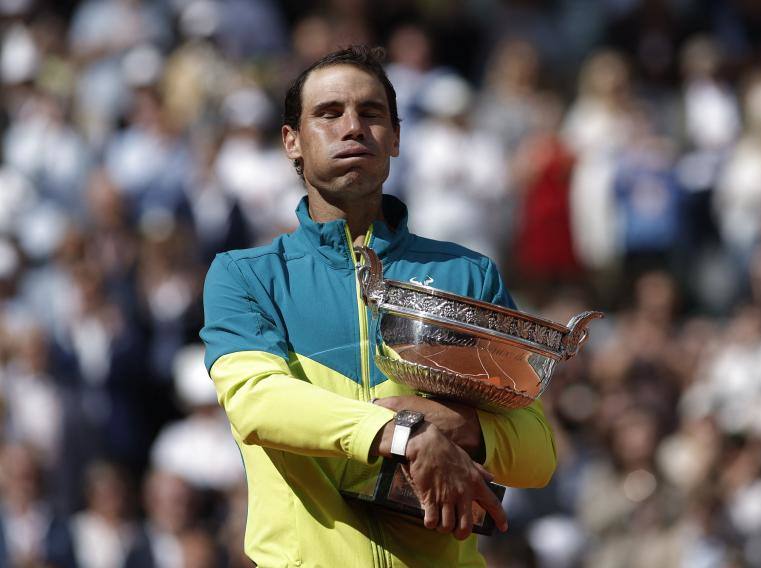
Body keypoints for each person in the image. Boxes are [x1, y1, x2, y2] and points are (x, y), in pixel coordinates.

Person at [200, 45, 557, 567]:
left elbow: (537, 452)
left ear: (395, 137)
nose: (353, 128)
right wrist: (402, 436)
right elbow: (257, 403)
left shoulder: (469, 273)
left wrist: (454, 427)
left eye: (370, 113)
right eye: (329, 114)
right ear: (291, 141)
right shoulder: (245, 274)